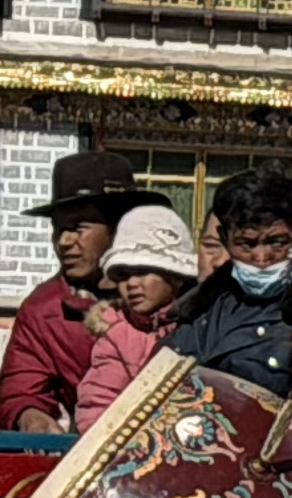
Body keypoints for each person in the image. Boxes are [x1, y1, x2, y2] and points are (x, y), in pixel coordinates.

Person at [0, 148, 167, 429]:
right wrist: (30, 416)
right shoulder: (45, 309)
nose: (64, 241)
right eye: (59, 229)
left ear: (120, 228)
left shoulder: (174, 292)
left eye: (78, 228)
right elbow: (21, 387)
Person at [164, 170, 292, 404]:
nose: (261, 258)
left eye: (276, 242)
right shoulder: (199, 309)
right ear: (224, 238)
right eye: (246, 244)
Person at [72, 205, 203, 429]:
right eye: (123, 275)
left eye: (142, 272)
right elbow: (99, 399)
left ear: (175, 277)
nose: (132, 284)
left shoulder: (201, 325)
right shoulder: (117, 334)